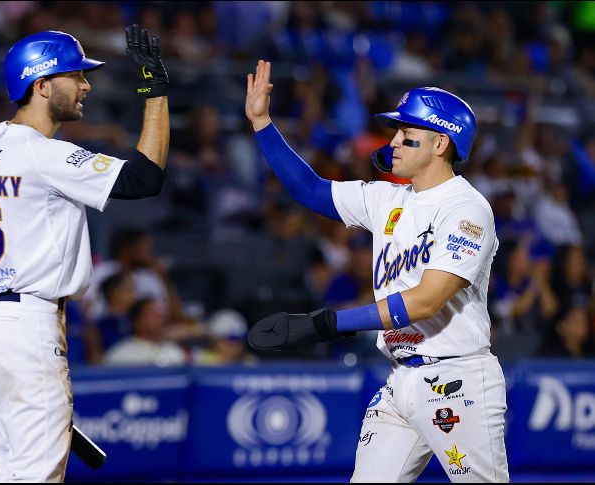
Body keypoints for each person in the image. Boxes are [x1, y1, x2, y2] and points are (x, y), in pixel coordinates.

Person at [245, 60, 509, 482]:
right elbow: (308, 188)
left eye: (406, 132)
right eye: (396, 131)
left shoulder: (466, 209)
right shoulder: (387, 198)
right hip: (400, 377)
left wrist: (327, 324)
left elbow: (425, 301)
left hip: (457, 379)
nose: (394, 140)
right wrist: (262, 123)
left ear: (441, 142)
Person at [0, 26, 170, 482]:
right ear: (42, 84)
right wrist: (155, 91)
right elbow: (144, 179)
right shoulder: (43, 155)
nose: (86, 85)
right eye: (76, 75)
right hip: (28, 325)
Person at [102, 297, 186, 367]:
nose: (160, 318)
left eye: (161, 314)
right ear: (137, 321)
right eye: (153, 314)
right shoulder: (120, 355)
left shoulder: (175, 350)